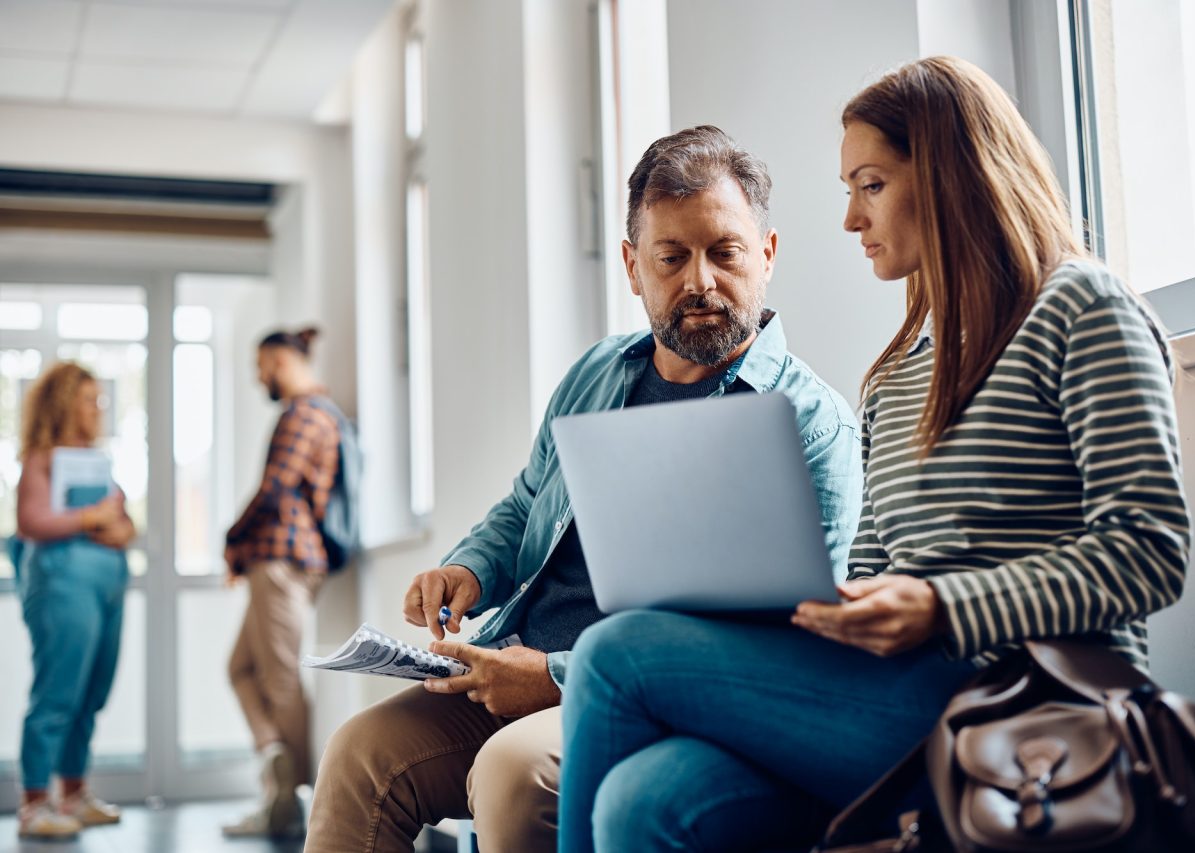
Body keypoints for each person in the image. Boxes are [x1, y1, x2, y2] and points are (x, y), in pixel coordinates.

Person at [558, 56, 1192, 853]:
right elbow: (871, 567)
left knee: (616, 650)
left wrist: (941, 608)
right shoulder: (896, 373)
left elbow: (1150, 550)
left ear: (953, 173)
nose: (853, 220)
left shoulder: (1081, 308)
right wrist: (819, 607)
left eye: (871, 184)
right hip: (901, 692)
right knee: (641, 800)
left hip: (1030, 693)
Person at [305, 125, 860, 853]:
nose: (700, 281)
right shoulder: (597, 372)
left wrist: (558, 677)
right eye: (672, 257)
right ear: (633, 267)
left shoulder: (809, 423)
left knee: (512, 772)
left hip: (645, 696)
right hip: (511, 664)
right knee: (358, 755)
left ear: (767, 254)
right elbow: (525, 501)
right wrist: (470, 566)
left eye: (724, 253)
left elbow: (783, 636)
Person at [222, 326, 344, 839]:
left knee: (280, 679)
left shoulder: (305, 415)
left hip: (283, 560)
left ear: (279, 359)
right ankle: (277, 766)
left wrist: (232, 537)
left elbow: (275, 489)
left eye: (261, 364)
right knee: (242, 668)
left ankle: (299, 801)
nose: (258, 376)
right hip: (274, 558)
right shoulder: (311, 414)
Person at [14, 362, 135, 841]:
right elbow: (32, 520)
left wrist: (111, 525)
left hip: (106, 587)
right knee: (58, 692)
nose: (97, 409)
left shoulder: (97, 460)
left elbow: (125, 525)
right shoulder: (41, 459)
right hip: (61, 587)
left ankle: (74, 794)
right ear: (64, 403)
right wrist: (94, 518)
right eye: (89, 400)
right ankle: (35, 803)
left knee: (91, 694)